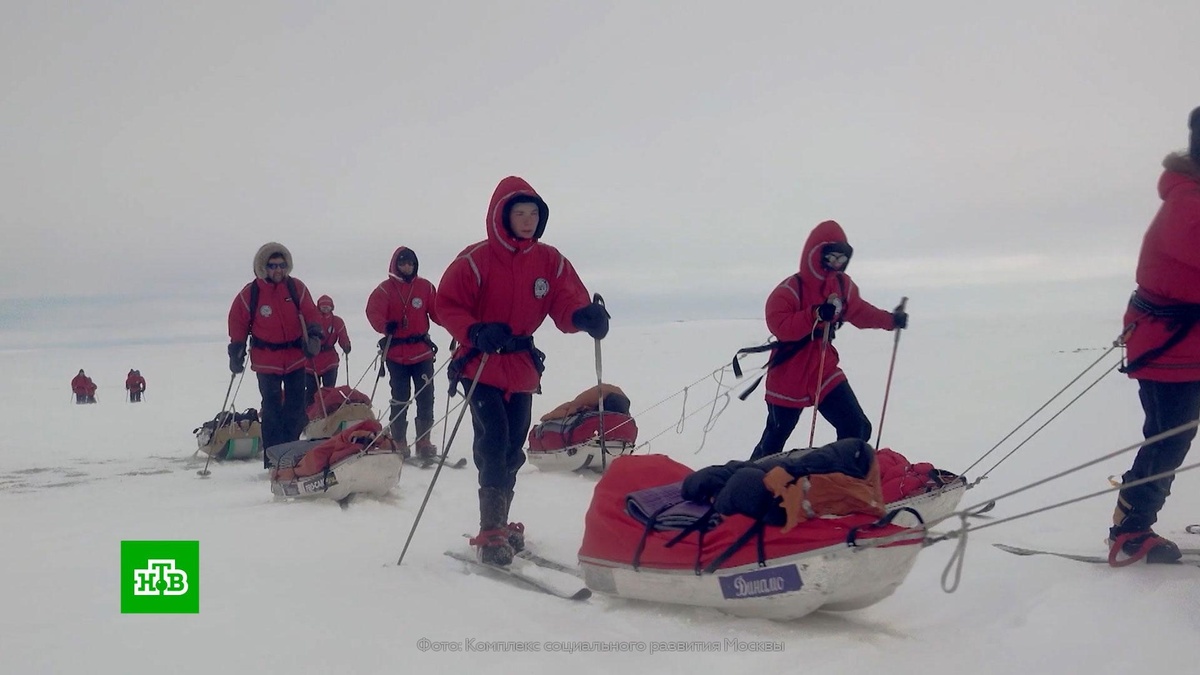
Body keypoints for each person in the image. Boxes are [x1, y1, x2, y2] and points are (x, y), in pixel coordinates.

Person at [437, 176, 609, 565]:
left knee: (513, 444)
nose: (528, 221)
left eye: (534, 213)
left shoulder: (550, 261)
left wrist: (584, 316)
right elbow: (447, 304)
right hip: (479, 364)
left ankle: (499, 520)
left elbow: (566, 301)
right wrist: (476, 330)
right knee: (493, 440)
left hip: (521, 366)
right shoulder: (474, 260)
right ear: (503, 216)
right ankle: (491, 530)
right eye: (520, 213)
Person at [1110, 106, 1200, 564]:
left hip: (1187, 341)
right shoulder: (1187, 203)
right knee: (1169, 438)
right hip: (1170, 347)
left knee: (1173, 435)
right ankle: (1131, 528)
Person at [749, 219, 906, 461]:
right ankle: (747, 484)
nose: (835, 264)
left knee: (857, 428)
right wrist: (814, 314)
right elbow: (779, 324)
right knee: (773, 442)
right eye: (830, 257)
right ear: (815, 254)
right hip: (789, 373)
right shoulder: (791, 289)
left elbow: (861, 312)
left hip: (823, 368)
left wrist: (891, 320)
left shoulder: (843, 286)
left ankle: (838, 479)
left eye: (841, 259)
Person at [227, 242, 324, 467]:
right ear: (263, 267)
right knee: (271, 408)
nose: (277, 270)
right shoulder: (250, 294)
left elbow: (311, 313)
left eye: (281, 265)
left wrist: (314, 335)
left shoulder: (296, 288)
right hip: (266, 361)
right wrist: (236, 350)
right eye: (272, 265)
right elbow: (238, 322)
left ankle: (290, 453)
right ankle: (273, 459)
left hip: (295, 358)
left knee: (296, 408)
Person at [366, 246, 441, 459]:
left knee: (426, 396)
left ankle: (424, 441)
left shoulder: (425, 287)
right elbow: (373, 312)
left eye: (410, 263)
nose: (407, 267)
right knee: (400, 397)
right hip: (396, 354)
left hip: (422, 353)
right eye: (403, 263)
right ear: (395, 265)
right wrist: (384, 325)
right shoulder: (384, 290)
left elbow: (438, 312)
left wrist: (458, 323)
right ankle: (399, 440)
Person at [304, 294, 352, 409]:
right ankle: (310, 414)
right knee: (311, 391)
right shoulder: (311, 320)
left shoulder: (337, 321)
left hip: (330, 361)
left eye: (328, 307)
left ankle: (328, 411)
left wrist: (346, 345)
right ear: (318, 307)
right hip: (311, 361)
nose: (325, 309)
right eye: (323, 306)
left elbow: (343, 336)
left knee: (329, 390)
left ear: (332, 307)